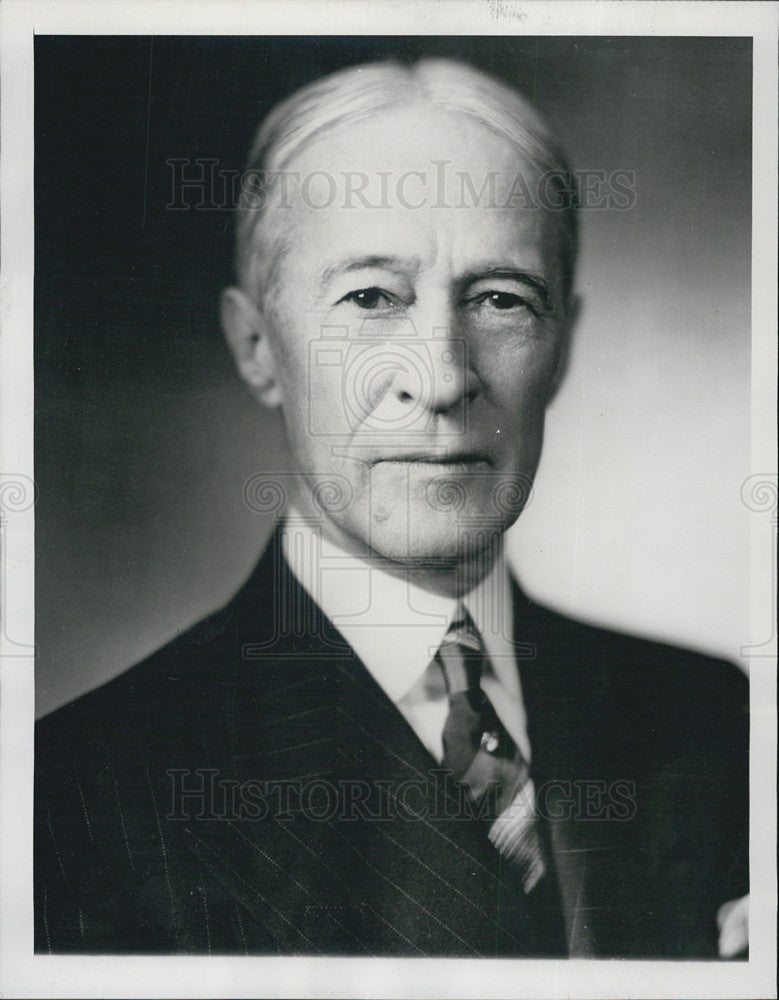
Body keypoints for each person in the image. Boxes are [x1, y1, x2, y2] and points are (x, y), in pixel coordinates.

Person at [34, 58, 748, 958]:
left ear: (561, 347)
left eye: (499, 300)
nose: (443, 377)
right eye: (370, 298)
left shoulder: (716, 724)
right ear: (256, 345)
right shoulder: (78, 801)